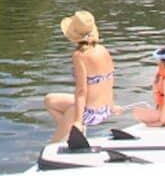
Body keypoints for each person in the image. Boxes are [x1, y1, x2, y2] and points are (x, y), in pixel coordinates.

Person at [44, 11, 121, 141]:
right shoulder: (103, 50)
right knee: (50, 100)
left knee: (52, 146)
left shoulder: (79, 56)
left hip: (88, 113)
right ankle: (73, 134)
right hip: (104, 109)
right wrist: (112, 106)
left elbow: (81, 91)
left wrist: (78, 121)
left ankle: (73, 132)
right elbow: (109, 79)